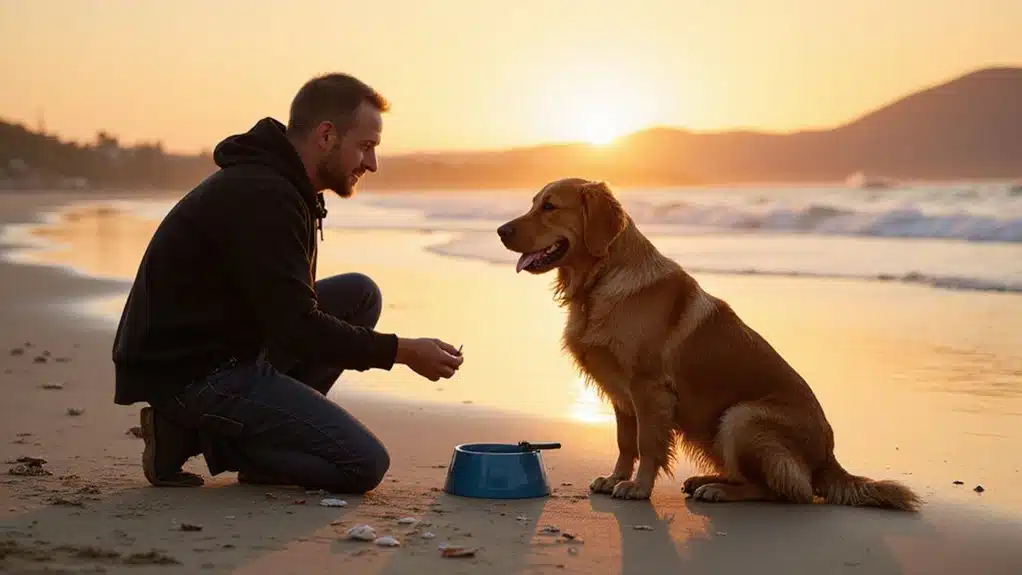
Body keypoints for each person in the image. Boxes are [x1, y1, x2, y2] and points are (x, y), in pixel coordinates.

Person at [111, 73, 465, 493]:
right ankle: (197, 435)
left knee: (359, 294)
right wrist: (402, 351)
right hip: (193, 373)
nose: (371, 164)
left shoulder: (283, 184)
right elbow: (298, 328)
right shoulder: (266, 195)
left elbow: (291, 317)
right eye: (366, 147)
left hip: (228, 345)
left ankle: (252, 441)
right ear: (327, 136)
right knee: (363, 464)